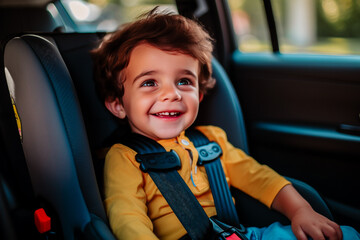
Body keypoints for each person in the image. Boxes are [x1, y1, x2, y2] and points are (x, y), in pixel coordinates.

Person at [92, 8, 360, 240]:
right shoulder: (125, 158)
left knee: (345, 234)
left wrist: (301, 211)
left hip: (245, 234)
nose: (171, 94)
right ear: (118, 104)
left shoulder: (211, 141)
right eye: (149, 83)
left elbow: (260, 179)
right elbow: (127, 218)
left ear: (199, 94)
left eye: (184, 81)